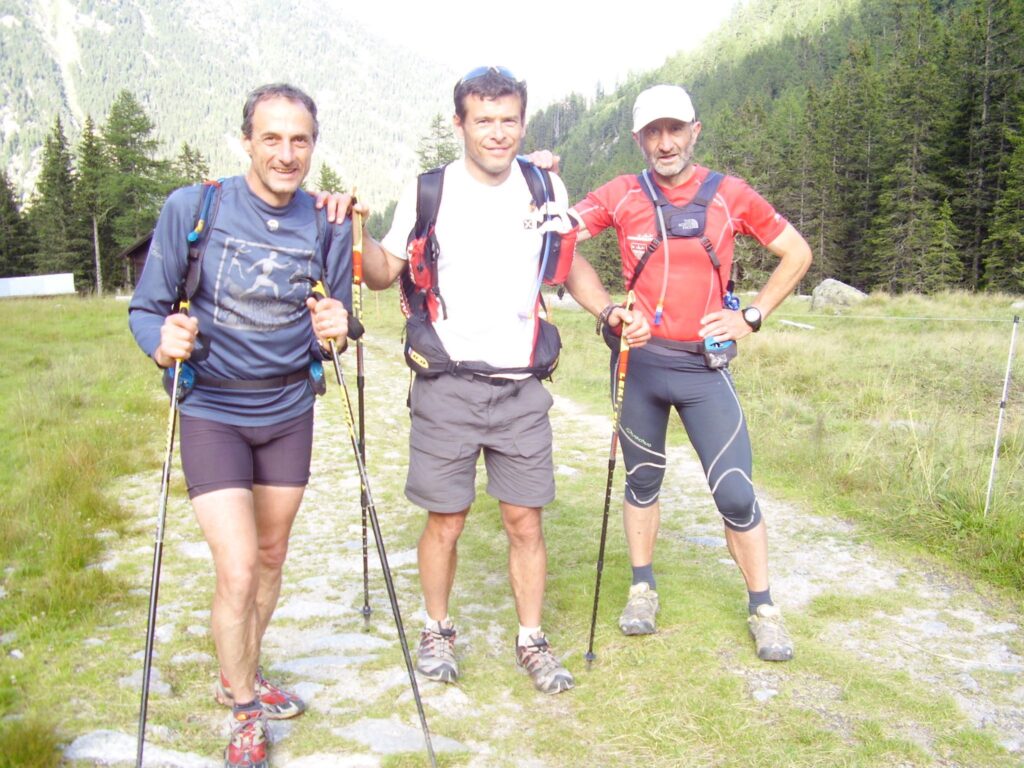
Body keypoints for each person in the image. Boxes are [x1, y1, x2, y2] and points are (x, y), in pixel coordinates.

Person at [354, 66, 650, 695]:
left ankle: (531, 639)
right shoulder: (428, 191)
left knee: (525, 521)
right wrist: (356, 234)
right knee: (446, 521)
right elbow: (384, 273)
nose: (497, 132)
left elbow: (568, 267)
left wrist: (609, 311)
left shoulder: (545, 186)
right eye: (483, 120)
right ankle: (438, 628)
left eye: (508, 119)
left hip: (521, 387)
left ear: (523, 122)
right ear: (459, 123)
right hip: (447, 382)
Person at [129, 83, 352, 767]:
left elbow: (335, 324)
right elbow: (146, 308)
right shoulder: (195, 207)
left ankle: (245, 674)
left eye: (300, 140)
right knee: (236, 569)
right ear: (247, 141)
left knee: (270, 558)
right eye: (272, 138)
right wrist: (161, 341)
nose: (287, 154)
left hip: (288, 410)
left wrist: (339, 330)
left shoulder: (328, 222)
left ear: (313, 144)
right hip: (212, 409)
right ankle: (245, 710)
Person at [568, 84, 812, 661]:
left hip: (705, 366)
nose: (665, 141)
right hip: (641, 364)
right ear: (638, 139)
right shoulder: (621, 194)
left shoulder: (729, 195)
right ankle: (642, 588)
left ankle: (764, 608)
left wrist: (750, 316)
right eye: (653, 131)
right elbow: (557, 239)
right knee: (642, 481)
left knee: (734, 491)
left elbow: (797, 252)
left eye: (674, 128)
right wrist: (607, 310)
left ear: (694, 131)